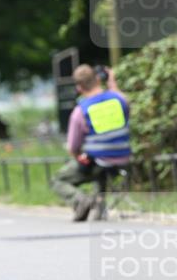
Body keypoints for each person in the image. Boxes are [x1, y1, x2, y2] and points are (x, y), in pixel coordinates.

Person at [51, 64, 130, 221]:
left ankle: (80, 200)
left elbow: (73, 147)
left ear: (79, 88)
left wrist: (78, 156)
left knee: (58, 179)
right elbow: (125, 102)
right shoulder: (119, 100)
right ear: (98, 80)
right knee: (99, 164)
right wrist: (112, 84)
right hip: (123, 158)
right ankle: (99, 205)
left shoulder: (81, 111)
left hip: (97, 161)